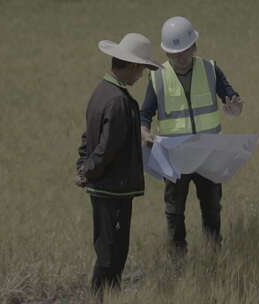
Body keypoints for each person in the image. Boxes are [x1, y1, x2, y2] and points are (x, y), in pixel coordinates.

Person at [140, 17, 244, 256]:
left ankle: (213, 254)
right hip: (175, 158)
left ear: (194, 47)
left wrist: (235, 107)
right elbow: (144, 114)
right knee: (174, 211)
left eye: (185, 52)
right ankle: (178, 259)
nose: (180, 58)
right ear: (165, 51)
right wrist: (144, 132)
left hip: (208, 155)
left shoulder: (210, 69)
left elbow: (232, 98)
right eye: (174, 54)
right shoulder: (157, 77)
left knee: (211, 208)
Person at [75, 33, 162, 296]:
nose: (141, 76)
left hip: (105, 187)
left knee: (106, 249)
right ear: (133, 66)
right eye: (143, 70)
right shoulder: (119, 101)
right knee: (112, 254)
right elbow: (106, 149)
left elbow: (88, 139)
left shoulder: (101, 92)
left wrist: (82, 165)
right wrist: (87, 170)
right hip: (113, 189)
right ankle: (101, 298)